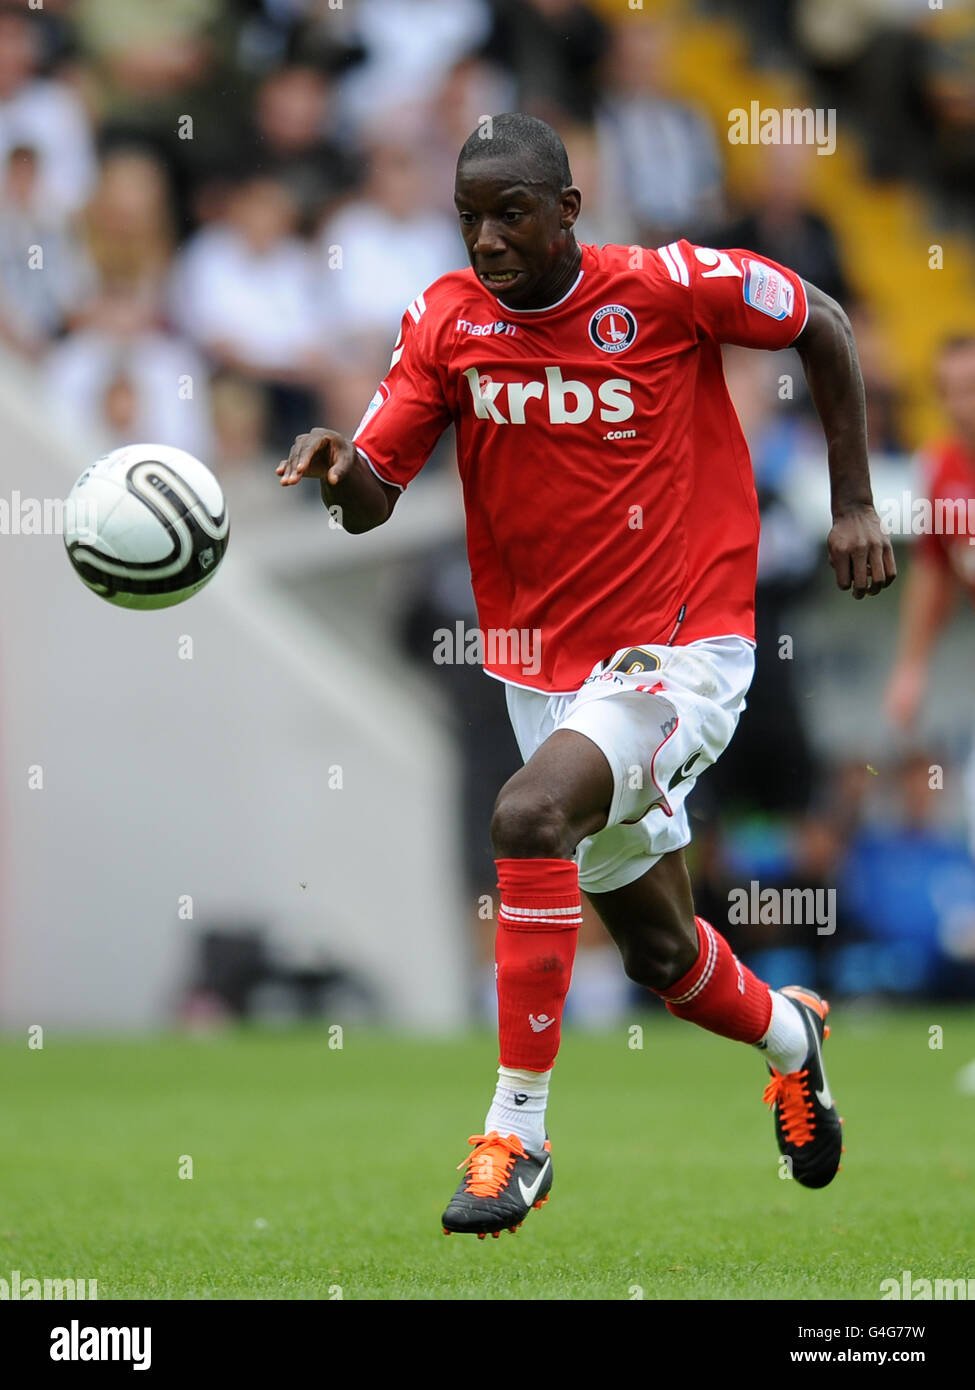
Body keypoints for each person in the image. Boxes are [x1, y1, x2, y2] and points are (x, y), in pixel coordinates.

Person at [278, 113, 896, 1237]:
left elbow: (826, 322)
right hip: (541, 672)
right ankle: (793, 1040)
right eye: (468, 215)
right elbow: (374, 490)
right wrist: (337, 471)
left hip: (683, 648)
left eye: (509, 212)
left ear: (567, 209)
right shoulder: (446, 321)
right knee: (663, 952)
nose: (487, 239)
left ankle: (518, 1135)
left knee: (527, 815)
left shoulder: (665, 287)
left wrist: (852, 501)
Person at [885, 336, 975, 850]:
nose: (962, 405)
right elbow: (935, 568)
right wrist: (911, 667)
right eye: (951, 392)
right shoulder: (942, 469)